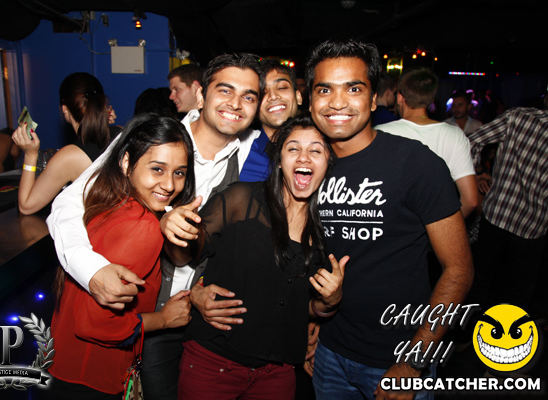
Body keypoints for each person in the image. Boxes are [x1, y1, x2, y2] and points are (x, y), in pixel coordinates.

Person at [47, 53, 264, 400]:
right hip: (145, 318)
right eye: (225, 90)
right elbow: (68, 203)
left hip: (200, 319)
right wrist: (92, 270)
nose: (235, 104)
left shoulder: (255, 153)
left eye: (249, 96)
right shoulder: (150, 138)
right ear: (201, 93)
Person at [305, 39, 473, 400]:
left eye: (353, 88)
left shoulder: (416, 163)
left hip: (397, 358)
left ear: (373, 99)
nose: (337, 102)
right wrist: (314, 321)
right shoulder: (310, 165)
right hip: (330, 351)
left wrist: (413, 363)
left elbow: (459, 269)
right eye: (324, 89)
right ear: (310, 100)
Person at [163, 115, 348, 400]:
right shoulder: (242, 200)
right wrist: (175, 230)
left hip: (276, 373)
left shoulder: (324, 231)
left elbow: (304, 310)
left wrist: (331, 301)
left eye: (316, 150)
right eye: (293, 148)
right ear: (280, 160)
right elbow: (185, 256)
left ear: (328, 163)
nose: (304, 157)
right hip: (214, 363)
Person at [47, 113, 195, 398]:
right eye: (157, 169)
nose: (169, 185)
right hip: (90, 378)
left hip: (64, 365)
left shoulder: (107, 199)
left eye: (179, 173)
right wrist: (164, 319)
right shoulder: (143, 226)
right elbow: (97, 324)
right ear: (127, 162)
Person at [466, 101, 548, 313]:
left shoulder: (518, 117)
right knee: (517, 295)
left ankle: (469, 329)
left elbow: (472, 141)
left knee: (480, 282)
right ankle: (506, 333)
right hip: (532, 226)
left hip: (497, 214)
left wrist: (476, 173)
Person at [375, 68, 478, 218]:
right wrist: (444, 227)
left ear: (400, 98)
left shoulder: (380, 132)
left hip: (392, 223)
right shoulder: (454, 135)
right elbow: (470, 201)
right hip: (438, 220)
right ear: (431, 99)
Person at [12, 72, 114, 215]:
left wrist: (30, 155)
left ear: (64, 108)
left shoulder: (70, 156)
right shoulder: (122, 133)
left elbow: (26, 206)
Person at [240, 62, 302, 182]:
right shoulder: (238, 154)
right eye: (263, 93)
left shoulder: (324, 150)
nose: (273, 96)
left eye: (282, 87)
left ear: (298, 97)